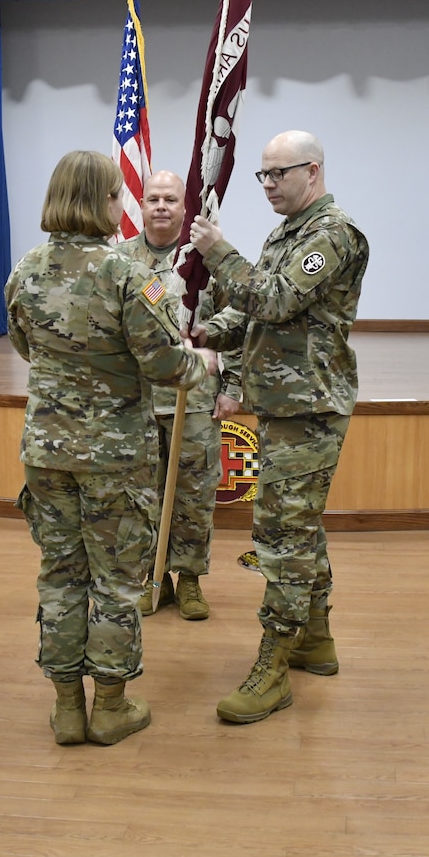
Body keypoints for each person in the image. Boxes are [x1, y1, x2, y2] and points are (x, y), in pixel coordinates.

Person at [6, 151, 219, 747]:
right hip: (114, 458)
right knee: (116, 580)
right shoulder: (128, 274)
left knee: (61, 574)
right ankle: (110, 706)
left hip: (46, 453)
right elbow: (162, 362)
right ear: (100, 200)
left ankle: (67, 707)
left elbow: (24, 343)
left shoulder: (26, 269)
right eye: (114, 196)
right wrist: (199, 363)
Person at [188, 130, 369, 724]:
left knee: (281, 536)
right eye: (261, 176)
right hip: (284, 404)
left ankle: (274, 665)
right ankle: (315, 639)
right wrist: (196, 331)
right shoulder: (287, 233)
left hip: (310, 407)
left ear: (311, 171)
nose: (266, 185)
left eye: (276, 174)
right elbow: (246, 313)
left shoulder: (332, 234)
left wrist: (218, 252)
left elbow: (277, 297)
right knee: (299, 525)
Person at [115, 171, 243, 621]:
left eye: (171, 199)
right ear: (142, 205)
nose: (162, 206)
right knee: (143, 494)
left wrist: (234, 387)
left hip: (196, 398)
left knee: (194, 492)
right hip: (141, 401)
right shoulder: (121, 260)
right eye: (154, 199)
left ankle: (188, 579)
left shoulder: (203, 259)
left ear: (184, 208)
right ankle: (155, 578)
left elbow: (240, 320)